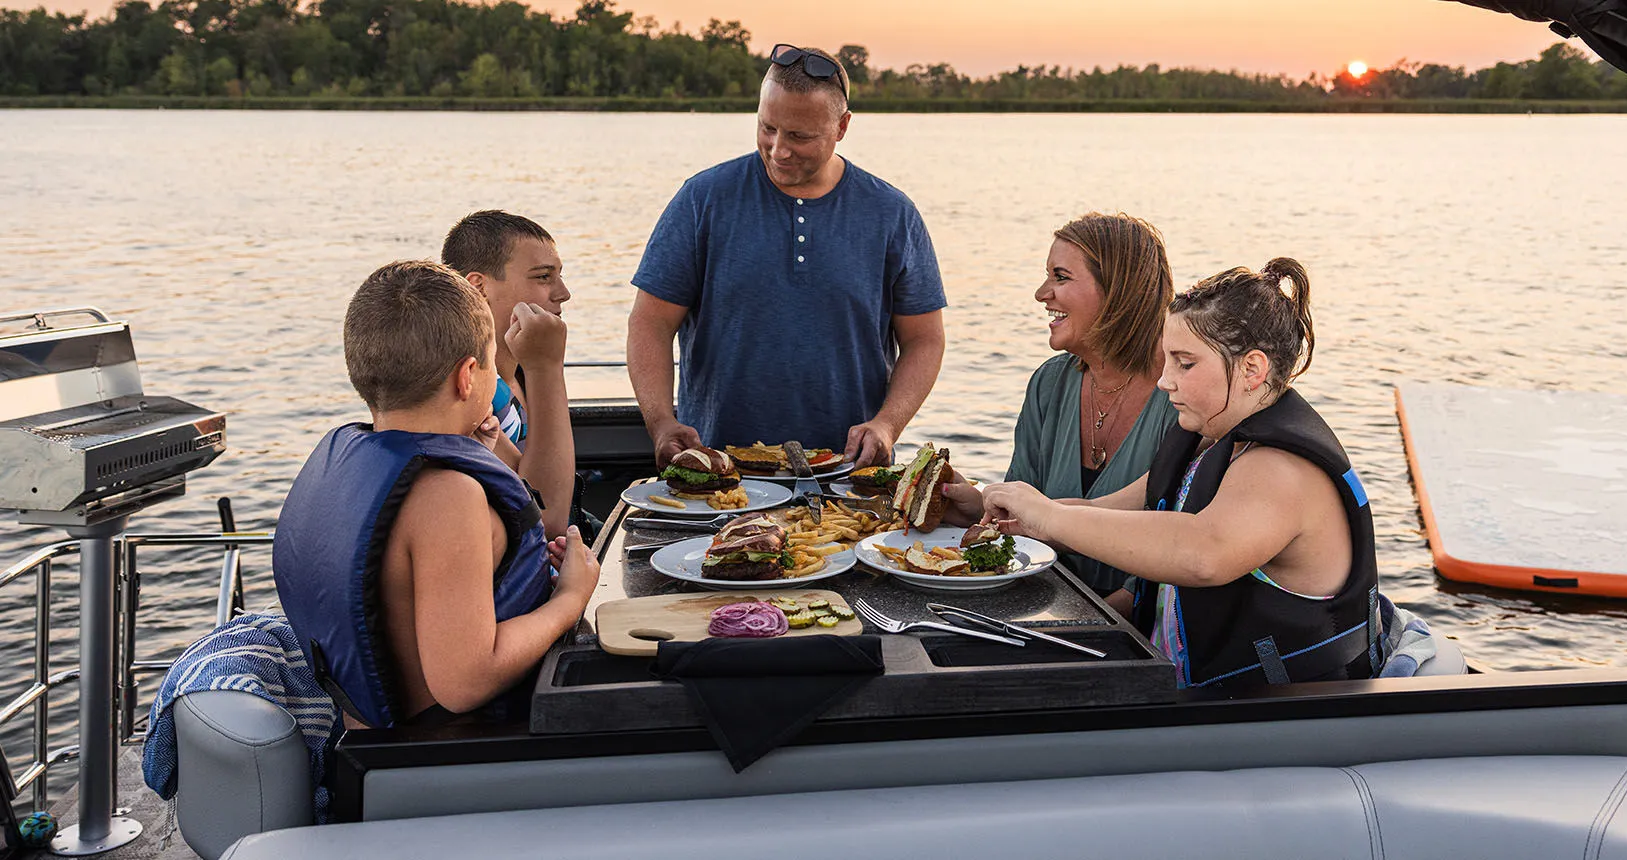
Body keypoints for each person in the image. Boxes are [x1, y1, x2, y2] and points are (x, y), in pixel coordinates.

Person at [979, 258, 1381, 690]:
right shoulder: (1207, 441)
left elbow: (1202, 554)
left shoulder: (1281, 470)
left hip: (1290, 710)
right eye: (1166, 360)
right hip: (1195, 689)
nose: (1164, 381)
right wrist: (1024, 519)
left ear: (1252, 369)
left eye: (1184, 364)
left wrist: (1049, 517)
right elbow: (1105, 511)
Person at [274, 261, 597, 728]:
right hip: (443, 761)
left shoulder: (348, 458)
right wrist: (569, 598)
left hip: (370, 743)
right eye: (491, 360)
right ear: (468, 375)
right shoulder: (448, 498)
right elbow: (466, 681)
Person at [627, 44, 945, 467]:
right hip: (719, 472)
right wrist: (661, 421)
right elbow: (650, 322)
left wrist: (888, 423)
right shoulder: (702, 199)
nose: (778, 149)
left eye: (799, 136)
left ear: (842, 126)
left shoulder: (892, 213)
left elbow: (924, 339)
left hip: (849, 475)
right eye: (767, 128)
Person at [939, 213, 1178, 599]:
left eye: (1061, 277)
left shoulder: (1183, 396)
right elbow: (1025, 523)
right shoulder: (1049, 383)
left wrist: (1088, 623)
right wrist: (975, 505)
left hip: (1137, 629)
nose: (1041, 293)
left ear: (1119, 291)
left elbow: (1171, 561)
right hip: (1045, 602)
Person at [442, 210, 574, 537]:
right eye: (543, 277)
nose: (563, 293)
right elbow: (546, 517)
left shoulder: (520, 372)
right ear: (478, 287)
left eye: (559, 276)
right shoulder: (467, 393)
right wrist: (547, 368)